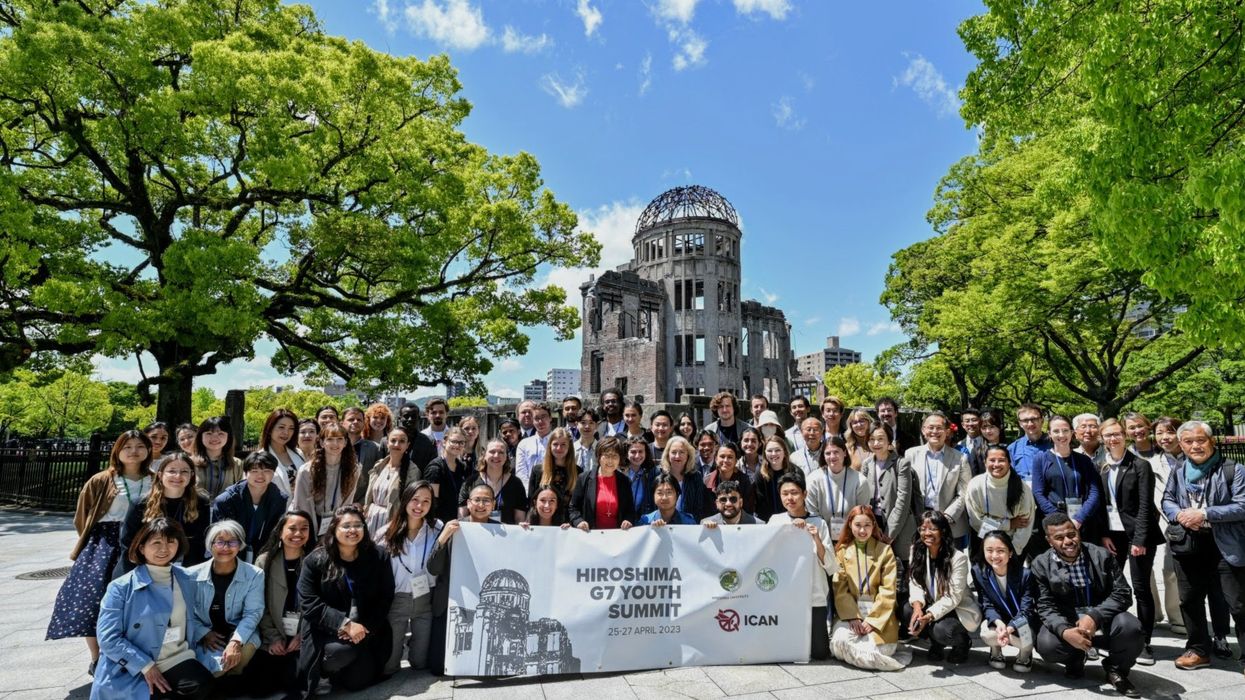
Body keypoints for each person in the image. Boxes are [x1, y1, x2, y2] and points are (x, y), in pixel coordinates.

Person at [48, 431, 155, 674]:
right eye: (127, 446)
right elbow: (82, 516)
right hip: (105, 543)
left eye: (140, 446)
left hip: (144, 541)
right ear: (117, 450)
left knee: (138, 601)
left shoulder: (155, 479)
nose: (134, 451)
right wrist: (95, 543)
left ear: (148, 450)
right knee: (95, 599)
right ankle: (98, 658)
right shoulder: (102, 479)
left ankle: (135, 653)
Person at [91, 518, 213, 700]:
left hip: (175, 656)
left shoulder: (186, 578)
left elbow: (193, 616)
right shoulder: (121, 587)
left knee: (204, 686)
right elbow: (108, 638)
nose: (164, 549)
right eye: (156, 542)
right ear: (141, 548)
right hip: (135, 661)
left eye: (171, 541)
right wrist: (146, 666)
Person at [1161, 420, 1245, 672]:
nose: (1195, 445)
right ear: (1182, 445)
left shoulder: (1234, 469)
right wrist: (1181, 515)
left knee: (1239, 603)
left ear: (1210, 441)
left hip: (1225, 544)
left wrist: (1205, 514)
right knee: (1189, 599)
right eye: (1188, 441)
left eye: (1201, 440)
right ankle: (1198, 649)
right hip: (1189, 543)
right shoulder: (1178, 470)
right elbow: (1167, 499)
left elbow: (1242, 505)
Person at [1031, 513, 1143, 697]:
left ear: (1078, 531)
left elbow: (1123, 592)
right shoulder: (1040, 564)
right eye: (1059, 538)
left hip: (1103, 619)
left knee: (1131, 628)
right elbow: (1045, 606)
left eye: (1071, 534)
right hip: (1069, 621)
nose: (1068, 541)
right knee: (1047, 645)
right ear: (1049, 540)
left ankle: (1116, 669)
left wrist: (1094, 616)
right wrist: (1065, 631)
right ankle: (1075, 658)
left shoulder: (1101, 555)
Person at [296, 505, 394, 695]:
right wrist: (345, 624)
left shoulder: (378, 556)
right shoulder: (315, 560)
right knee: (339, 653)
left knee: (357, 682)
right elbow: (308, 603)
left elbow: (385, 596)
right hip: (325, 630)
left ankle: (341, 673)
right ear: (334, 529)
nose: (353, 530)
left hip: (365, 629)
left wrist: (364, 627)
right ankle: (323, 673)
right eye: (346, 525)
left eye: (358, 525)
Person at [1098, 418, 1162, 665]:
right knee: (1111, 586)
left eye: (1116, 434)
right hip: (1112, 536)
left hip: (1137, 535)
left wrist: (1140, 539)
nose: (1112, 439)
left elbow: (1147, 505)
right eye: (1107, 435)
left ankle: (1144, 641)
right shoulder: (1101, 466)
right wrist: (1103, 534)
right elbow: (1101, 506)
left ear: (1125, 436)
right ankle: (1111, 633)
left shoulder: (1140, 465)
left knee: (1141, 587)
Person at [426, 483, 502, 672]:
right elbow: (433, 568)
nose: (481, 505)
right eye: (477, 500)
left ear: (493, 505)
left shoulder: (502, 532)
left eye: (486, 500)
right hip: (452, 600)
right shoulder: (454, 527)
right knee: (437, 667)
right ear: (468, 503)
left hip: (486, 604)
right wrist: (443, 538)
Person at [767, 473, 840, 661]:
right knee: (785, 648)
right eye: (785, 494)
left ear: (804, 494)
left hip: (813, 594)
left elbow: (831, 566)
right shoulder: (775, 521)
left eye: (794, 493)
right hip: (785, 595)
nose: (790, 498)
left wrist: (815, 538)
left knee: (820, 653)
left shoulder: (818, 522)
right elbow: (767, 555)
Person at [831, 505, 906, 671]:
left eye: (867, 525)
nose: (863, 531)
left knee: (871, 650)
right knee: (839, 642)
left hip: (880, 618)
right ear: (850, 525)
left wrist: (872, 621)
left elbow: (888, 591)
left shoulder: (885, 551)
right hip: (851, 615)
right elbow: (840, 588)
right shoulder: (842, 552)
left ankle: (871, 657)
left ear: (873, 525)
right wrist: (853, 617)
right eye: (858, 525)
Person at [187, 520, 265, 682]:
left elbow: (253, 613)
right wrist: (203, 633)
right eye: (220, 542)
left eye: (232, 542)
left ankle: (232, 683)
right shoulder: (190, 575)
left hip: (238, 632)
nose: (226, 548)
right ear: (210, 545)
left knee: (238, 658)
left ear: (240, 545)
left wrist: (236, 642)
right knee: (217, 669)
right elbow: (184, 614)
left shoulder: (254, 574)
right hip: (207, 635)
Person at [248, 511, 314, 699]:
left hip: (302, 636)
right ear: (280, 531)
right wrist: (273, 637)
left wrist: (303, 634)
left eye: (304, 529)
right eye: (292, 528)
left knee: (297, 686)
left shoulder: (314, 559)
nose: (298, 534)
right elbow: (258, 604)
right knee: (259, 689)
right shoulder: (264, 561)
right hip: (273, 635)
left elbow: (319, 604)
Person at [382, 482, 443, 675]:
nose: (419, 506)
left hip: (425, 598)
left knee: (420, 662)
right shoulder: (386, 533)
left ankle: (413, 648)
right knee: (389, 666)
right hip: (397, 600)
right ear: (405, 500)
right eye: (415, 499)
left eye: (426, 501)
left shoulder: (437, 529)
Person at [906, 510, 981, 663]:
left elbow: (953, 597)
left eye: (933, 529)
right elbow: (914, 581)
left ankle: (962, 643)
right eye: (923, 528)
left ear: (943, 531)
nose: (927, 533)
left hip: (956, 608)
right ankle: (936, 644)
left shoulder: (957, 558)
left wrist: (927, 616)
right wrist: (917, 607)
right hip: (930, 601)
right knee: (907, 612)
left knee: (942, 631)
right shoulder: (916, 550)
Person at [118, 452, 211, 575]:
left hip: (184, 568)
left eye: (184, 471)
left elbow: (198, 544)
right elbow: (128, 544)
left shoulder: (201, 503)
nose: (178, 476)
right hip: (143, 568)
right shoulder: (140, 503)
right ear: (160, 475)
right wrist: (136, 576)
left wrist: (191, 577)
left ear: (191, 475)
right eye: (172, 471)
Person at [1031, 415, 1103, 557]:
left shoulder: (1083, 460)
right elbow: (1038, 493)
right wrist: (1060, 521)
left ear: (1072, 432)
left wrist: (1079, 518)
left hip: (1082, 521)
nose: (1061, 435)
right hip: (1054, 523)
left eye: (1065, 430)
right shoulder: (1041, 459)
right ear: (1049, 434)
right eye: (1056, 431)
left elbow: (1094, 491)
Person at [859, 423, 915, 594]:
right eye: (872, 439)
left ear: (890, 441)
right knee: (877, 571)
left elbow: (903, 501)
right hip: (874, 523)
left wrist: (890, 533)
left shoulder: (901, 464)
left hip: (900, 524)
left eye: (881, 439)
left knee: (904, 574)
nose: (876, 443)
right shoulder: (867, 464)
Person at [1148, 417, 1190, 637]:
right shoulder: (1152, 464)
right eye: (1159, 433)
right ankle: (1170, 615)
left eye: (1170, 432)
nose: (1164, 437)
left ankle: (1181, 615)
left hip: (1196, 521)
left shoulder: (1193, 460)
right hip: (1167, 523)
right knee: (1167, 570)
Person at [973, 530, 1036, 672]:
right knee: (987, 634)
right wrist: (998, 623)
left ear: (1011, 553)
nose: (994, 556)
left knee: (1027, 638)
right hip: (999, 619)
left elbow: (1027, 610)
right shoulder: (979, 571)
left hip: (1020, 619)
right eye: (989, 550)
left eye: (1000, 551)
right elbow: (986, 603)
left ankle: (1025, 654)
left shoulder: (1025, 575)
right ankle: (995, 651)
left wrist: (1010, 628)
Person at [905, 413, 972, 543]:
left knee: (952, 562)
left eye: (939, 428)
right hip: (920, 522)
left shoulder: (960, 458)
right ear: (923, 430)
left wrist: (946, 517)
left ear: (947, 431)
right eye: (930, 427)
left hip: (950, 523)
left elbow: (964, 492)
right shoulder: (911, 454)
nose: (934, 431)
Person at [209, 451, 288, 560]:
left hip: (263, 554)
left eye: (267, 471)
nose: (260, 475)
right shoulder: (226, 500)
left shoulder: (279, 499)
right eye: (254, 471)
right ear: (245, 473)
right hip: (230, 552)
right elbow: (218, 535)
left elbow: (275, 533)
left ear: (274, 473)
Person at [964, 446, 1036, 557]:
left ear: (1009, 463)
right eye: (992, 460)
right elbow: (976, 521)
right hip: (984, 543)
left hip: (1013, 548)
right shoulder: (975, 485)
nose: (996, 464)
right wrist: (1008, 524)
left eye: (1001, 460)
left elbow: (1025, 524)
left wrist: (1012, 550)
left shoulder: (1022, 488)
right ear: (985, 462)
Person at [292, 425, 362, 537]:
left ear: (345, 443)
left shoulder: (353, 470)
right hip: (309, 522)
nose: (335, 444)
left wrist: (338, 526)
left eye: (339, 439)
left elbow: (347, 500)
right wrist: (313, 533)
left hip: (337, 522)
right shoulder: (306, 471)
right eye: (330, 439)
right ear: (321, 443)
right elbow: (303, 505)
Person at [806, 435, 871, 539]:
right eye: (828, 453)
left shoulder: (860, 481)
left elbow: (863, 517)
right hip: (822, 538)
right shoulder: (813, 480)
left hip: (852, 538)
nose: (832, 456)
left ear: (844, 453)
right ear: (823, 455)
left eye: (836, 452)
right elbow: (812, 515)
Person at [362, 428, 421, 539]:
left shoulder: (412, 471)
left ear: (407, 445)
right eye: (393, 440)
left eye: (402, 441)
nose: (397, 444)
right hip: (370, 519)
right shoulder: (379, 465)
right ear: (387, 442)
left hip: (391, 522)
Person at [570, 436, 638, 530]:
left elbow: (630, 510)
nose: (610, 460)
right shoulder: (584, 478)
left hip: (616, 536)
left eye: (615, 456)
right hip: (590, 534)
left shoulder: (624, 481)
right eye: (606, 455)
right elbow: (573, 508)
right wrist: (579, 521)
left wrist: (628, 520)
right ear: (598, 456)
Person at [459, 438, 527, 524]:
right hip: (475, 534)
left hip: (506, 535)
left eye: (501, 452)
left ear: (507, 456)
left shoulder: (516, 484)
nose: (496, 456)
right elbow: (462, 517)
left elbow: (519, 518)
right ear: (484, 455)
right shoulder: (470, 482)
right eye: (492, 452)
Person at [423, 426, 471, 528]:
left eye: (461, 442)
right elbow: (432, 501)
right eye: (453, 441)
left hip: (458, 521)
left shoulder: (462, 467)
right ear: (444, 442)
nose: (457, 445)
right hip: (439, 523)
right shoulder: (435, 468)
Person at [659, 435, 710, 521]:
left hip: (687, 526)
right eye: (674, 452)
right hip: (660, 524)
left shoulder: (695, 476)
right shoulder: (657, 473)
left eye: (682, 452)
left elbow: (699, 507)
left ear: (688, 455)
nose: (677, 456)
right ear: (667, 455)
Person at [192, 417, 243, 500]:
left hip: (225, 511)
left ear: (228, 437)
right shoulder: (189, 462)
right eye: (209, 433)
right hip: (195, 511)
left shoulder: (237, 464)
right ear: (200, 436)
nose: (214, 438)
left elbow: (240, 492)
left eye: (221, 434)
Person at [527, 427, 580, 504]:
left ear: (569, 447)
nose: (559, 448)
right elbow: (531, 501)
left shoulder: (578, 472)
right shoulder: (537, 470)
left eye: (563, 444)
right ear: (549, 446)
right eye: (555, 444)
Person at [259, 408, 303, 498]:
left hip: (300, 509)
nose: (286, 432)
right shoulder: (259, 457)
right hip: (274, 510)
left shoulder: (299, 453)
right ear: (270, 429)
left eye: (291, 428)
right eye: (281, 427)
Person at [754, 435, 796, 523]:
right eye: (769, 450)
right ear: (764, 453)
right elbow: (760, 502)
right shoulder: (760, 473)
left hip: (791, 520)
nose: (773, 454)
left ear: (784, 451)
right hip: (768, 521)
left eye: (777, 450)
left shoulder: (795, 471)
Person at [703, 442, 754, 514]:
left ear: (736, 461)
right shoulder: (707, 481)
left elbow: (748, 510)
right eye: (722, 456)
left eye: (730, 457)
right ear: (716, 459)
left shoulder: (745, 481)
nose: (725, 460)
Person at [1008, 403, 1053, 483]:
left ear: (1042, 420)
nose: (1030, 423)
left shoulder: (1054, 444)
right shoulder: (1012, 448)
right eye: (1025, 420)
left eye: (1034, 419)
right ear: (1020, 423)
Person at [515, 402, 554, 490]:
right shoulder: (524, 444)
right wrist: (530, 492)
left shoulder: (558, 442)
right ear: (532, 420)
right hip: (529, 492)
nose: (540, 421)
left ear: (550, 418)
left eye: (543, 416)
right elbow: (521, 472)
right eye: (536, 418)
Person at [395, 403, 438, 471]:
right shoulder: (387, 441)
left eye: (413, 416)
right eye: (406, 416)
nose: (410, 419)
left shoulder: (429, 442)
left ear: (419, 418)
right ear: (400, 418)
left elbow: (432, 468)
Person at [622, 435, 656, 516]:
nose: (637, 456)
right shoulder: (620, 474)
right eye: (633, 452)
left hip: (642, 520)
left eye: (641, 451)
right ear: (626, 454)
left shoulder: (651, 474)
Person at [341, 407, 382, 474]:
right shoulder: (334, 446)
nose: (355, 422)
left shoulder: (375, 448)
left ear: (363, 423)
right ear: (342, 423)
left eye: (359, 420)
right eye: (351, 419)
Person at [968, 409, 1006, 477]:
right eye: (984, 428)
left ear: (1000, 427)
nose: (988, 431)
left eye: (991, 427)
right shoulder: (976, 451)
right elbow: (973, 476)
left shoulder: (1009, 448)